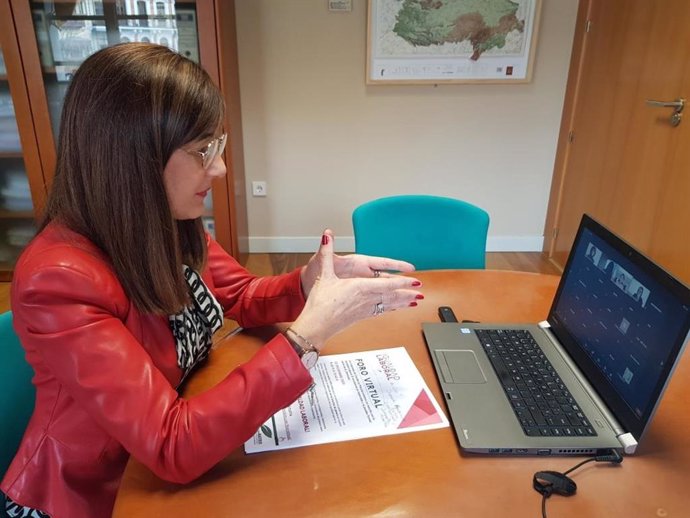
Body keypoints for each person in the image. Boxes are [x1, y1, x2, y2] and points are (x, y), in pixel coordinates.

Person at [0, 43, 423, 518]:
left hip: (170, 473)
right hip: (98, 496)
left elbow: (240, 295)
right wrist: (307, 337)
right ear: (134, 157)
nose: (220, 168)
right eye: (203, 151)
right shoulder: (58, 279)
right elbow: (170, 444)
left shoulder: (167, 222)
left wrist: (309, 281)